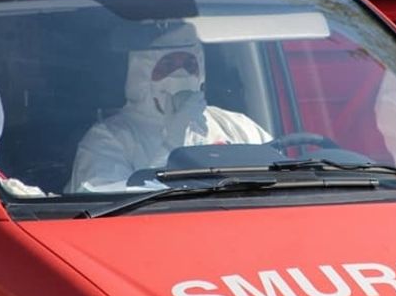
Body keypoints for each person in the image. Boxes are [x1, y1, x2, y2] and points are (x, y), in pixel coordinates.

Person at [67, 23, 272, 192]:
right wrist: (171, 148)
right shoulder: (109, 138)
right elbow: (105, 204)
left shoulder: (235, 125)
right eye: (168, 65)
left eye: (189, 64)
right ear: (141, 75)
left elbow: (277, 176)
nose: (181, 75)